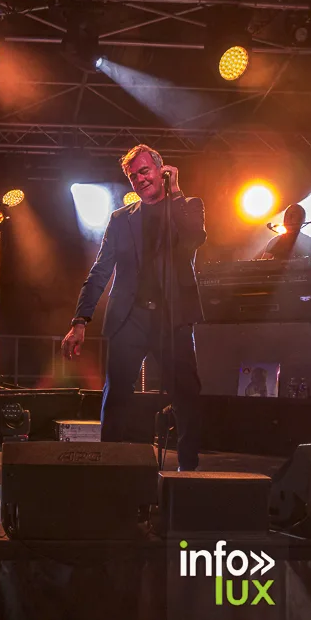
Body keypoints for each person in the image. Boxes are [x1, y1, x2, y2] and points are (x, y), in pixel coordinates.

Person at [61, 145, 206, 471]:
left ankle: (188, 471)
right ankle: (109, 467)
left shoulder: (188, 207)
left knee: (186, 393)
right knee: (116, 394)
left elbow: (194, 239)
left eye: (144, 171)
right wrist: (80, 320)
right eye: (133, 176)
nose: (140, 179)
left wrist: (176, 192)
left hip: (173, 317)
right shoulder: (120, 219)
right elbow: (100, 271)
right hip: (130, 317)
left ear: (161, 169)